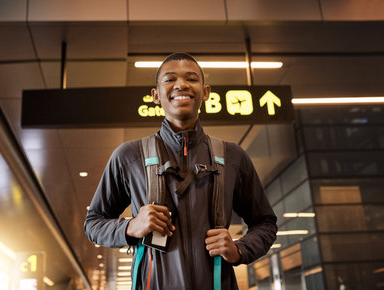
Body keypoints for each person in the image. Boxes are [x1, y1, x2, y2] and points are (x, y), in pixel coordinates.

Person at [85, 52, 277, 289]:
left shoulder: (233, 157)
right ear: (155, 95)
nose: (182, 84)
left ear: (205, 92)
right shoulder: (128, 156)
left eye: (192, 79)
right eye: (170, 79)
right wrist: (130, 226)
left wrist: (239, 249)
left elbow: (266, 223)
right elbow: (93, 223)